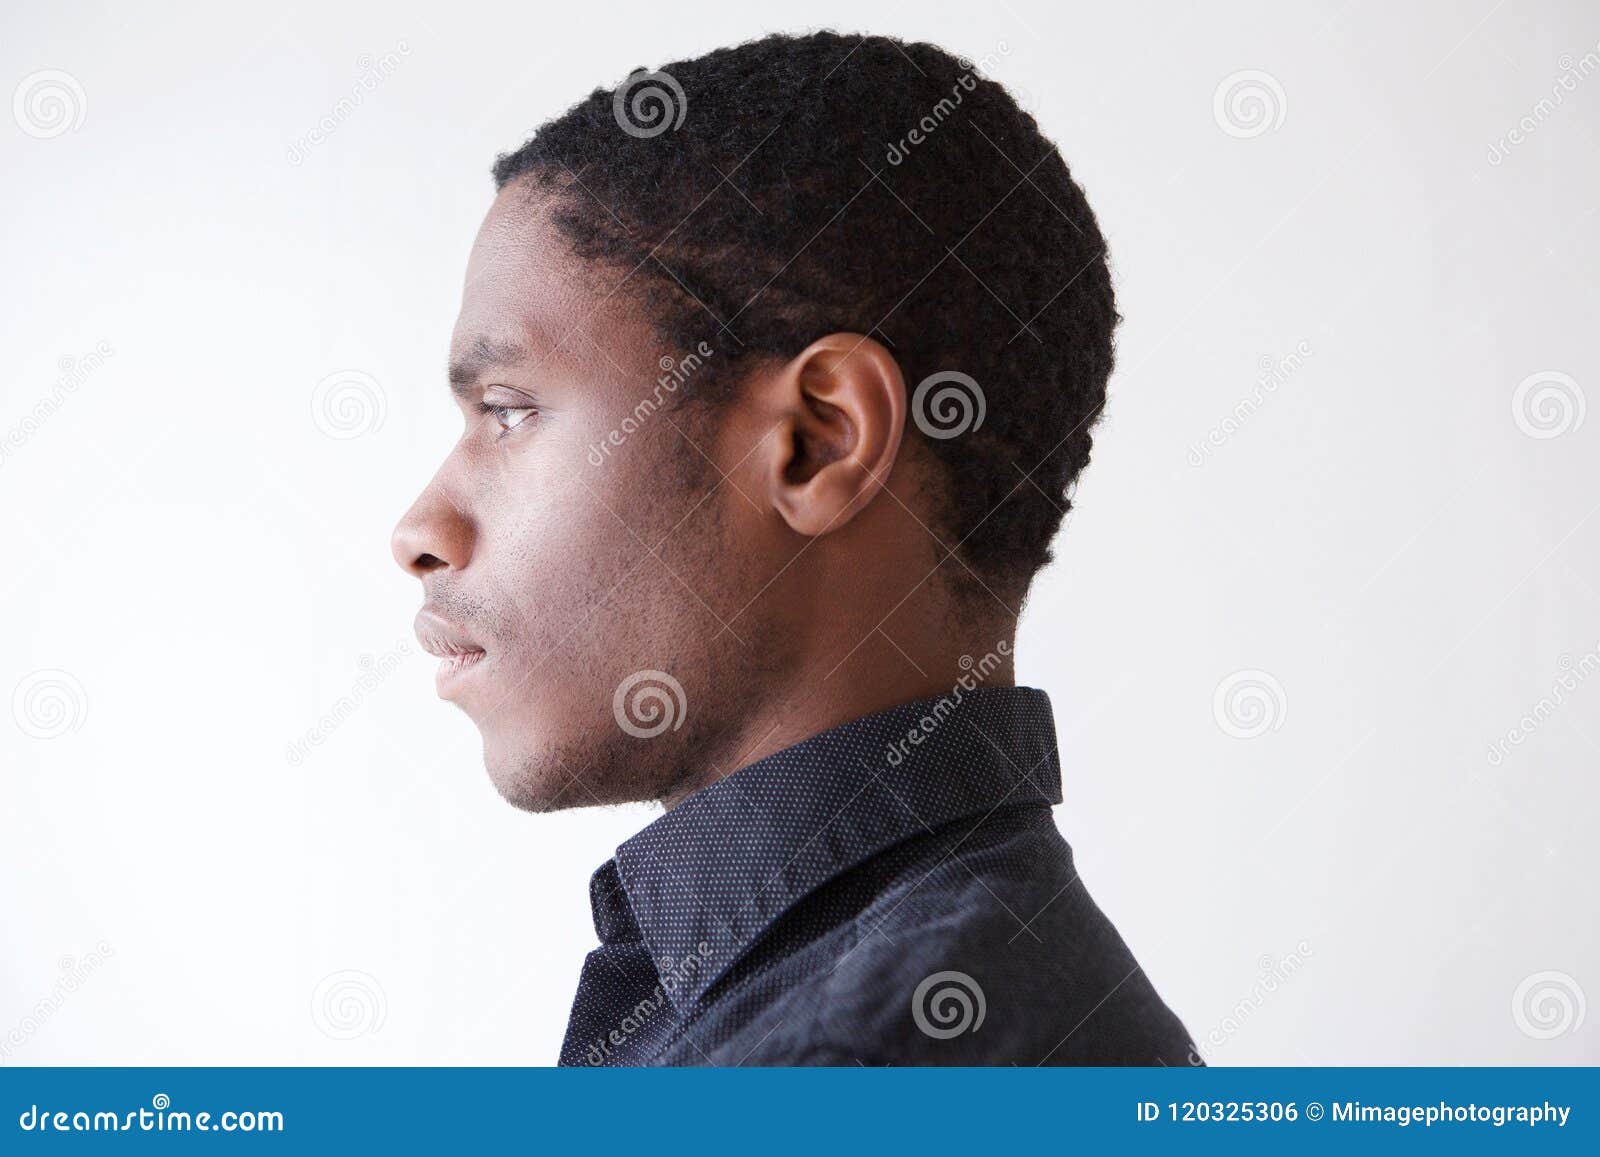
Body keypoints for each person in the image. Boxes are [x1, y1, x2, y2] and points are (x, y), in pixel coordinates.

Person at [391, 29, 1195, 1066]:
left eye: (507, 409)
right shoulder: (923, 998)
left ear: (818, 442)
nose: (420, 529)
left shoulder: (872, 1059)